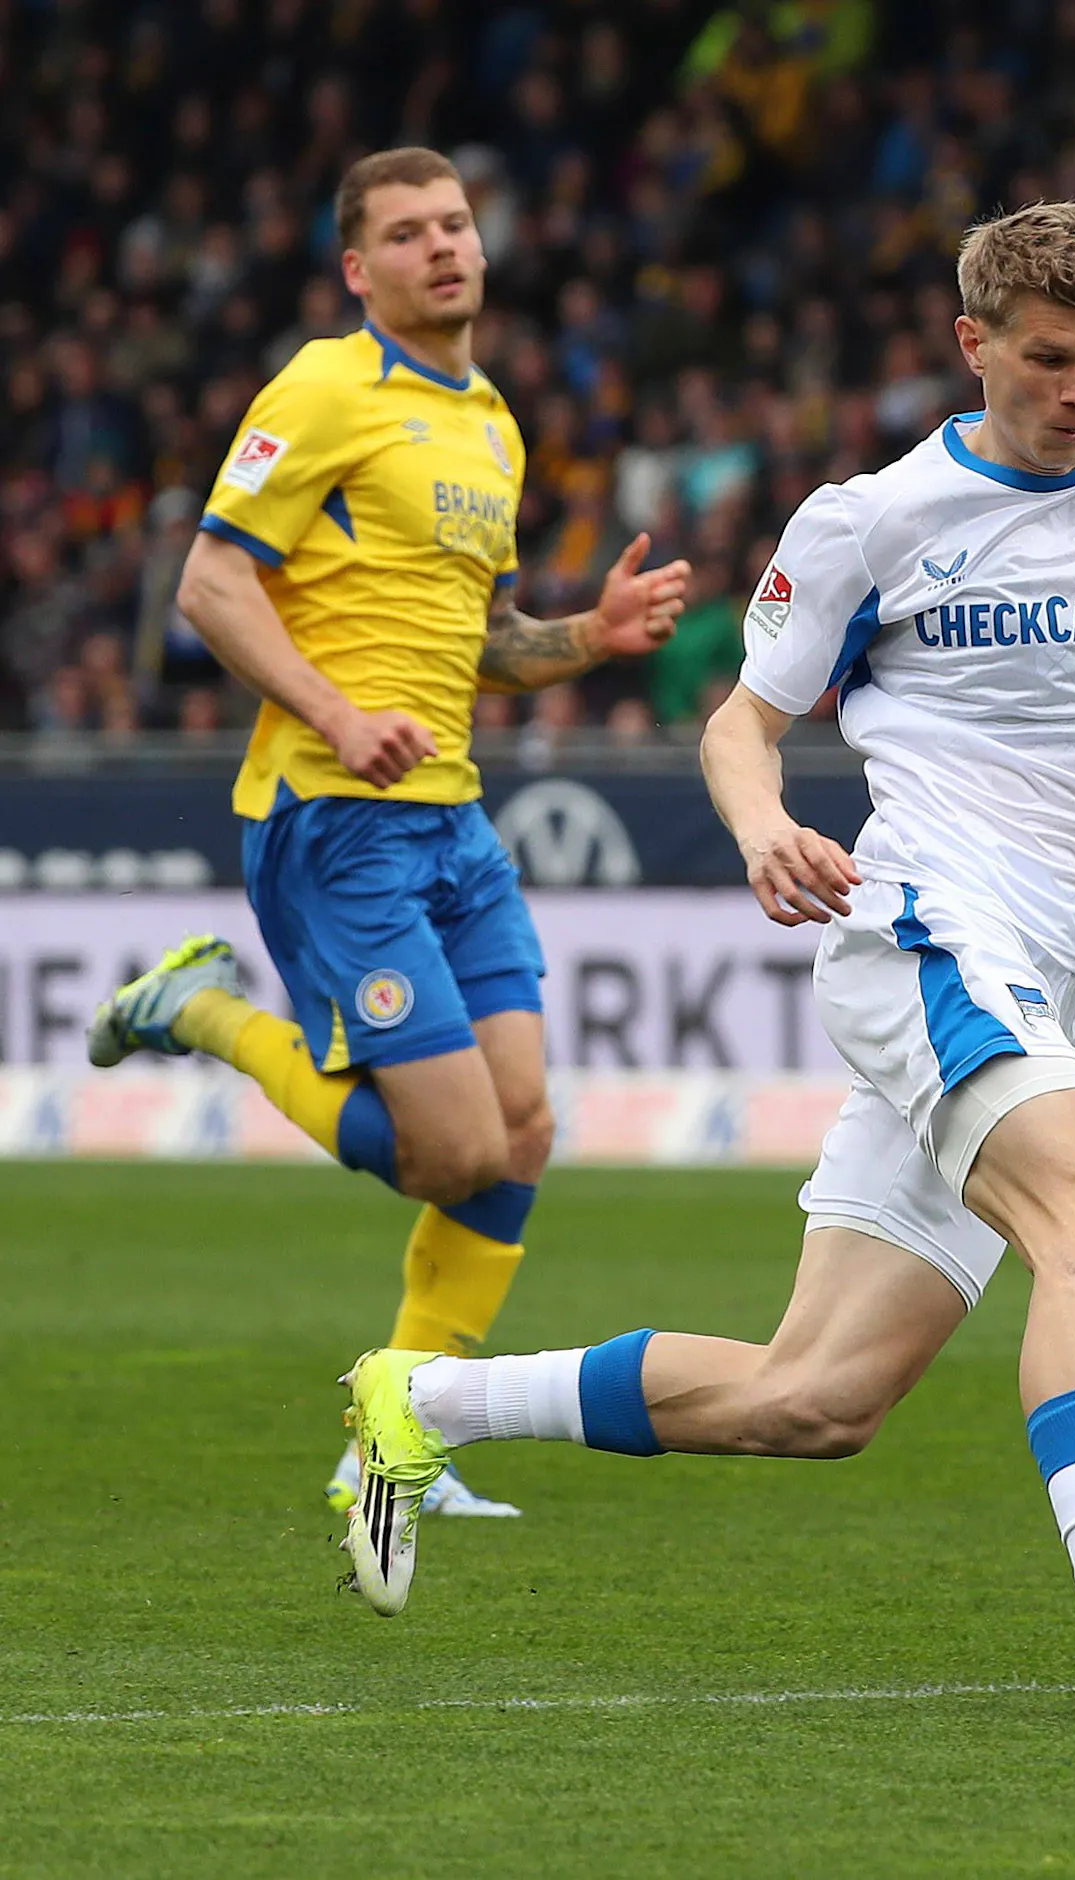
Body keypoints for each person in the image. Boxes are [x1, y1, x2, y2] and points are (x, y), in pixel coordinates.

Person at [339, 203, 1075, 1723]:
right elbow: (740, 723)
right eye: (1044, 361)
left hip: (1052, 963)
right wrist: (763, 829)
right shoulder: (871, 520)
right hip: (926, 929)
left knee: (815, 1397)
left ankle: (422, 1402)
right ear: (972, 346)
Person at [85, 148, 690, 1513]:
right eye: (408, 234)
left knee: (523, 1127)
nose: (443, 249)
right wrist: (337, 714)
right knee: (452, 1153)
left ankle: (396, 1442)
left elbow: (482, 643)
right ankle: (202, 1013)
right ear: (360, 269)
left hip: (453, 819)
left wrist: (590, 636)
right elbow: (211, 581)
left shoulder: (490, 423)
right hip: (334, 813)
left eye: (458, 224)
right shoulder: (322, 385)